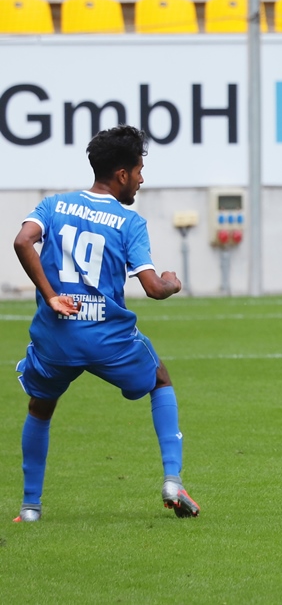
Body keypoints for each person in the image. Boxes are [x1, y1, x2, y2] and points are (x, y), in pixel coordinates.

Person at [12, 125, 200, 522]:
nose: (142, 179)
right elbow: (153, 288)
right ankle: (172, 480)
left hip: (57, 337)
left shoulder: (53, 205)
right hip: (108, 339)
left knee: (40, 407)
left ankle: (30, 507)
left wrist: (51, 295)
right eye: (139, 170)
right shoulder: (129, 222)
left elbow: (22, 241)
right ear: (122, 174)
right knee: (160, 379)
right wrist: (173, 282)